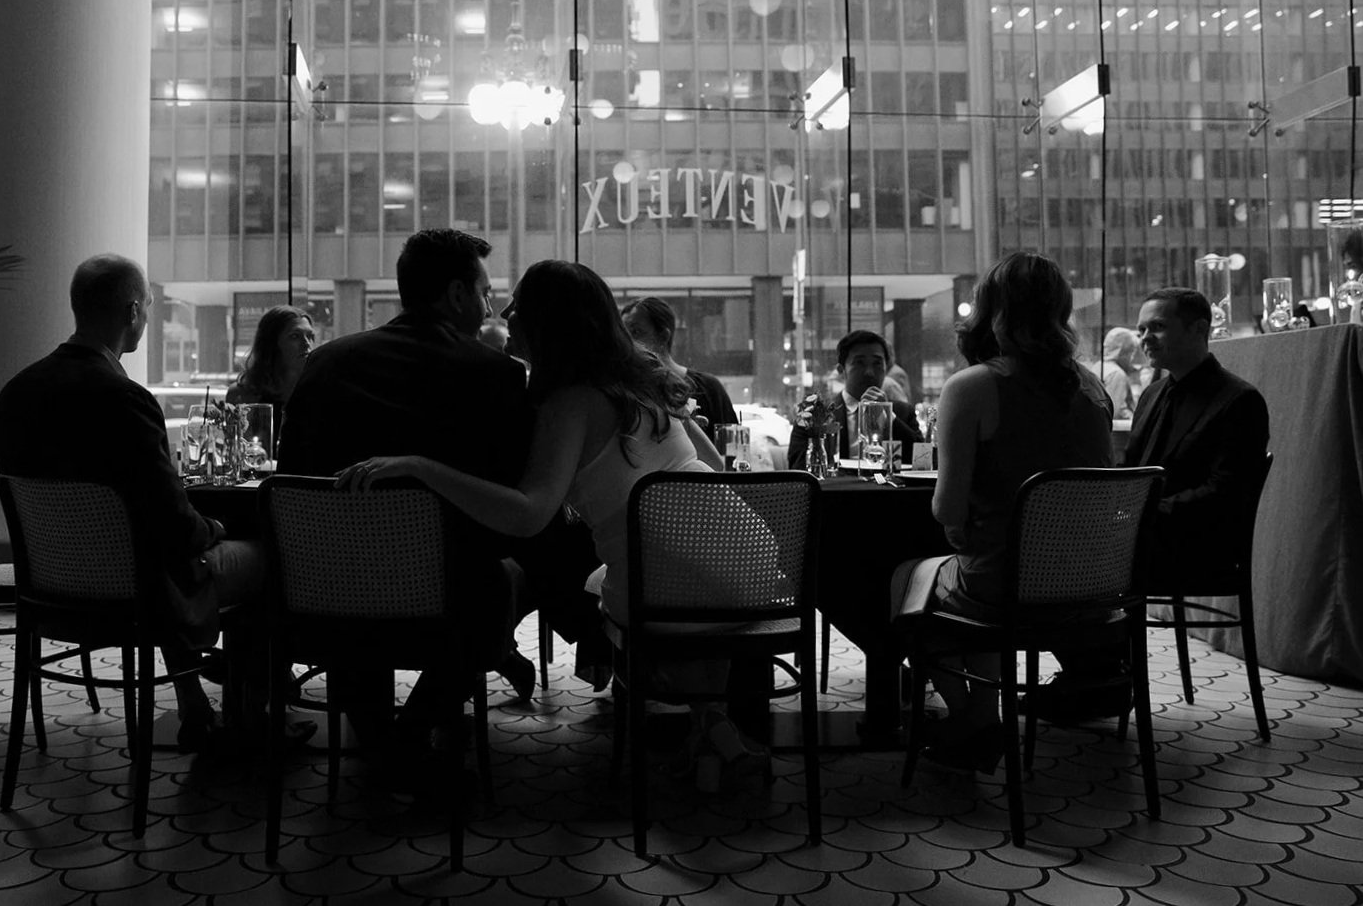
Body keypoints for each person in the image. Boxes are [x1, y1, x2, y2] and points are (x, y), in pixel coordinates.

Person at [336, 261, 771, 773]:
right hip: (747, 563)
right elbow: (716, 468)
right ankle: (713, 731)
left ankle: (708, 729)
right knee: (655, 575)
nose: (504, 313)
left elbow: (528, 516)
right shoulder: (645, 377)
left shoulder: (570, 401)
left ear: (549, 321)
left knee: (616, 585)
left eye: (518, 305)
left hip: (667, 592)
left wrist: (421, 466)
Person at [0, 255, 275, 751]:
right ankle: (253, 717)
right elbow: (177, 526)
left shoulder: (14, 395)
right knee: (269, 557)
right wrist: (216, 528)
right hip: (140, 590)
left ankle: (197, 708)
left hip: (52, 587)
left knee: (154, 553)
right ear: (132, 312)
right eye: (148, 305)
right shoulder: (125, 400)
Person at [277, 229, 537, 765]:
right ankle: (413, 730)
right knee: (506, 580)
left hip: (328, 595)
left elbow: (292, 480)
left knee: (358, 598)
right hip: (450, 604)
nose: (490, 307)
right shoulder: (496, 376)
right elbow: (507, 506)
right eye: (484, 293)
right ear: (457, 294)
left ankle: (379, 742)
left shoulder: (325, 364)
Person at [890, 252, 1113, 771]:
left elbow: (947, 511)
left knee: (910, 580)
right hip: (1096, 586)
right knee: (976, 571)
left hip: (1006, 586)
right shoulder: (1092, 386)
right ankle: (980, 717)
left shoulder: (973, 386)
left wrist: (962, 527)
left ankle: (974, 717)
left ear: (990, 311)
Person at [1034, 287, 1271, 722]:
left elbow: (1224, 495)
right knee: (1053, 553)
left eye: (1157, 327)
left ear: (1200, 329)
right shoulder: (1154, 393)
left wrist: (1134, 517)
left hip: (1196, 546)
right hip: (1144, 537)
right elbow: (1130, 469)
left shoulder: (1239, 400)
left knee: (1063, 565)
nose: (1145, 338)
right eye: (1141, 329)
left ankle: (1099, 680)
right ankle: (1097, 676)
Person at [786, 330, 923, 472]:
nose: (869, 372)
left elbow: (922, 461)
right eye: (859, 363)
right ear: (841, 370)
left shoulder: (903, 413)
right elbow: (797, 468)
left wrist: (888, 416)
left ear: (886, 368)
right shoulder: (814, 414)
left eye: (877, 364)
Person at [620, 296, 738, 429]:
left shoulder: (708, 388)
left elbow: (729, 438)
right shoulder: (625, 392)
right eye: (624, 335)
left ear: (663, 336)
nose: (627, 342)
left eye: (636, 332)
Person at [226, 304, 314, 433]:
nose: (307, 343)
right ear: (271, 344)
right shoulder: (242, 394)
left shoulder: (321, 392)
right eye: (295, 336)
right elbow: (234, 441)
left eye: (310, 336)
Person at [1101, 325, 1143, 418]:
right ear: (1122, 352)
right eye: (1131, 352)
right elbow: (1116, 412)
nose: (1131, 358)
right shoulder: (1117, 374)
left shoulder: (1099, 366)